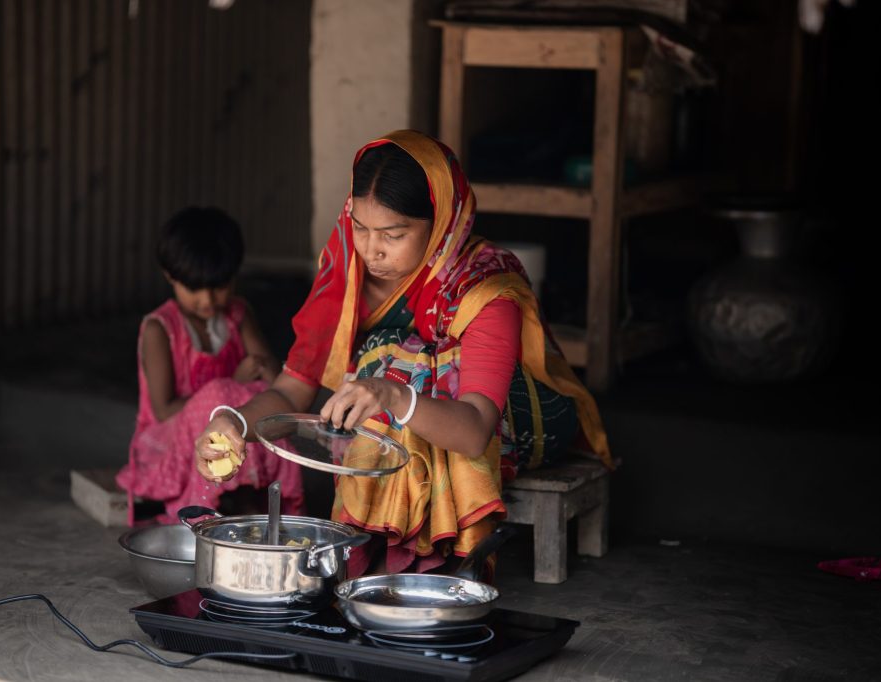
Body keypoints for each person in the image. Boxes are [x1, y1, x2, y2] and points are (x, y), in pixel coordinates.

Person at [196, 131, 612, 576]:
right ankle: (385, 554)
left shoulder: (486, 289)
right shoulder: (347, 272)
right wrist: (234, 421)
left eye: (393, 234)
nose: (370, 250)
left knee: (400, 364)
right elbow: (293, 389)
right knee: (386, 365)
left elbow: (474, 432)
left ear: (440, 224)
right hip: (402, 420)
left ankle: (427, 562)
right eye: (360, 227)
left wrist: (392, 396)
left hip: (509, 423)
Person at [115, 206, 304, 525]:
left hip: (228, 430)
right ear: (170, 276)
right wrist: (230, 383)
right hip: (167, 441)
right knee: (220, 396)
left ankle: (251, 494)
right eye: (194, 289)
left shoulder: (238, 314)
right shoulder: (160, 329)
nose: (208, 300)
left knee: (260, 401)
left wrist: (272, 381)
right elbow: (163, 410)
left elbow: (271, 379)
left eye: (218, 287)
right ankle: (205, 505)